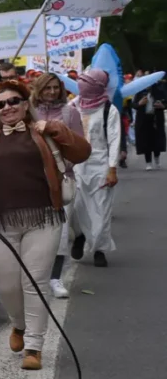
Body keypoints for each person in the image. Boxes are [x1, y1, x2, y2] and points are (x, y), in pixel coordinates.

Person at [0, 80, 90, 370]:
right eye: (0, 104)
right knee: (6, 286)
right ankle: (19, 325)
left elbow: (83, 152)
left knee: (35, 283)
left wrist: (54, 128)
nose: (7, 107)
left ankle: (34, 347)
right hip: (1, 222)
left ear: (26, 105)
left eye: (14, 101)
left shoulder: (44, 132)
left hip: (43, 219)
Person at [31, 72, 83, 298]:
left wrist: (60, 165)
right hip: (33, 180)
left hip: (62, 180)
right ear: (39, 89)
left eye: (55, 87)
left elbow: (79, 145)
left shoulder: (69, 113)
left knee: (60, 232)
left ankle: (56, 277)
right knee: (36, 231)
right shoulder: (29, 113)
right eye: (47, 88)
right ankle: (36, 276)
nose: (52, 92)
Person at [69, 68, 121, 267]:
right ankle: (80, 236)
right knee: (75, 207)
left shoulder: (110, 110)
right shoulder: (74, 105)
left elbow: (115, 139)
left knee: (101, 209)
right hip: (75, 166)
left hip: (100, 165)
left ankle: (100, 249)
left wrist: (112, 168)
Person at [133, 76, 166, 170]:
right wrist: (139, 104)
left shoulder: (159, 91)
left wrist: (162, 105)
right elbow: (134, 104)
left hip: (156, 119)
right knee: (145, 140)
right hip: (144, 119)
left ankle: (157, 157)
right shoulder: (140, 93)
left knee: (157, 140)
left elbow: (165, 102)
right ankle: (148, 162)